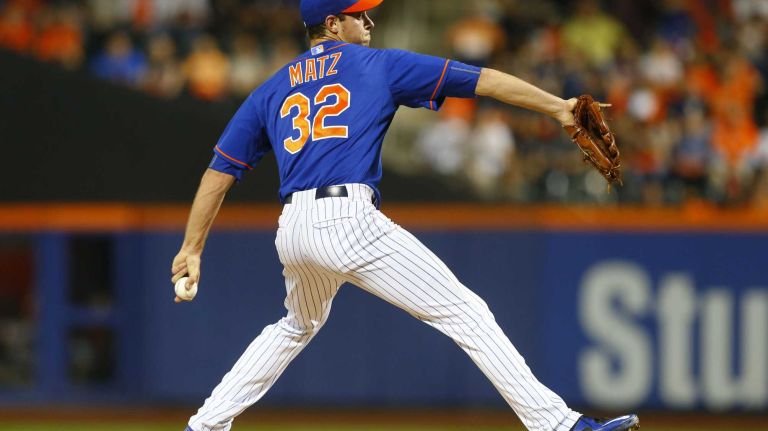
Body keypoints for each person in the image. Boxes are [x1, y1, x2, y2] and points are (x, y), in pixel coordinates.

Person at [171, 1, 640, 430]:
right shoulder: (379, 64)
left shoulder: (271, 89)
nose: (370, 21)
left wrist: (192, 247)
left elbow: (220, 172)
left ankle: (205, 425)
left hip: (293, 228)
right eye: (359, 15)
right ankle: (559, 426)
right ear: (332, 24)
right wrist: (558, 107)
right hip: (347, 218)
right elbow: (485, 80)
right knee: (465, 311)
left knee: (296, 325)